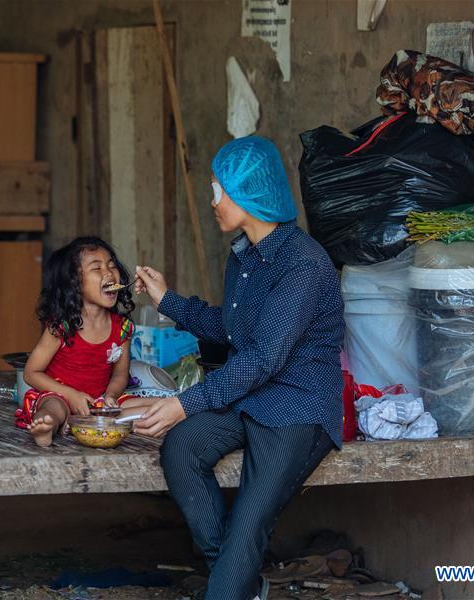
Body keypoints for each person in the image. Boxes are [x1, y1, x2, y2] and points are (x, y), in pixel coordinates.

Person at [133, 136, 344, 600]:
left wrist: (184, 403)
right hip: (252, 396)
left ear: (246, 193)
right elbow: (232, 331)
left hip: (298, 406)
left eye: (217, 191)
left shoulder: (303, 264)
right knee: (182, 448)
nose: (213, 202)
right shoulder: (244, 255)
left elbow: (265, 357)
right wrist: (167, 300)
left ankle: (232, 581)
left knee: (251, 520)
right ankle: (239, 581)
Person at [16, 237, 137, 447]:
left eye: (111, 265)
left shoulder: (122, 328)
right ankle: (46, 428)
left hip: (98, 403)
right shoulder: (61, 327)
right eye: (96, 268)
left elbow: (120, 374)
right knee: (53, 408)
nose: (109, 272)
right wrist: (71, 396)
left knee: (145, 407)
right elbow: (31, 373)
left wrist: (110, 396)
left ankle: (167, 416)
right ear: (75, 283)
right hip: (60, 395)